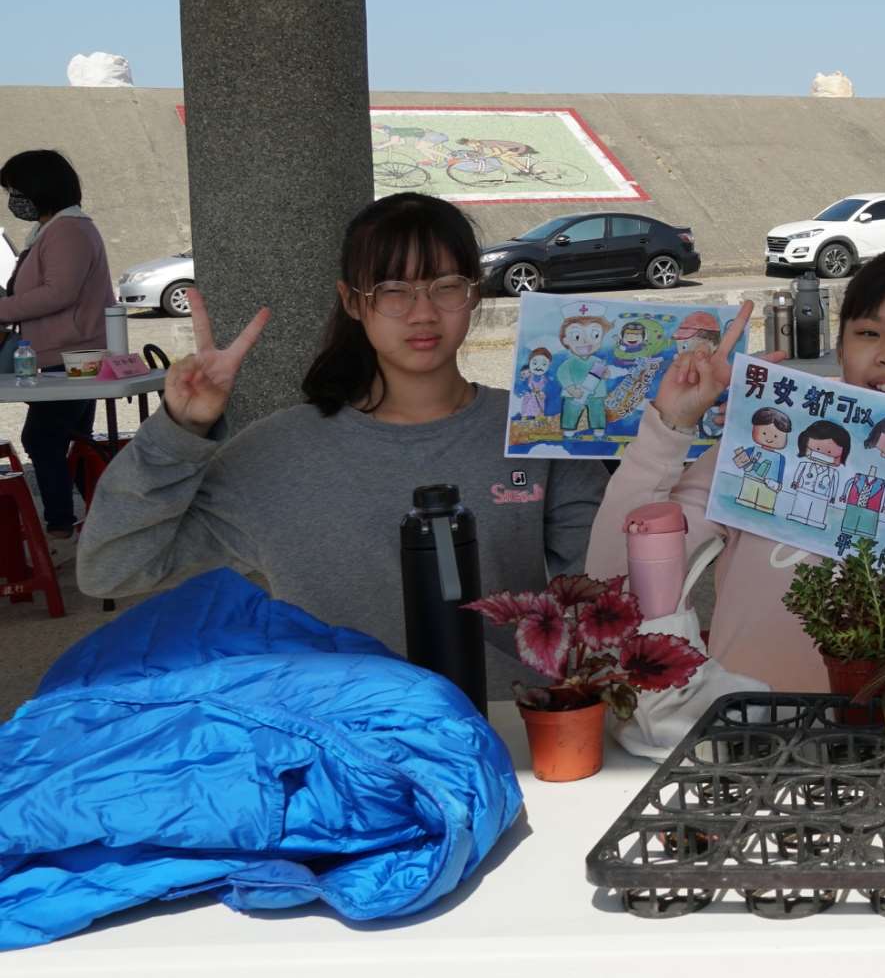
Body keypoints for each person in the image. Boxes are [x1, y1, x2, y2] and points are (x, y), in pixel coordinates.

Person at [77, 193, 606, 694]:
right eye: (394, 290)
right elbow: (111, 568)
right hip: (339, 736)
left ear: (473, 292)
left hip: (509, 730)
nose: (423, 312)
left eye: (446, 285)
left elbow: (606, 593)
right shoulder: (276, 454)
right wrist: (178, 432)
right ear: (352, 301)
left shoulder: (537, 431)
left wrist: (645, 439)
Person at [582, 244, 885, 691]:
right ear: (840, 347)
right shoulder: (758, 450)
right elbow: (611, 578)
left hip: (881, 732)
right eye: (869, 332)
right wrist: (669, 427)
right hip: (747, 725)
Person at [0, 151, 116, 539]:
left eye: (16, 190)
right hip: (65, 353)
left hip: (73, 355)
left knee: (42, 437)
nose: (13, 199)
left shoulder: (68, 231)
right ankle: (102, 521)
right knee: (75, 440)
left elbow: (58, 293)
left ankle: (62, 524)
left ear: (40, 188)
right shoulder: (53, 229)